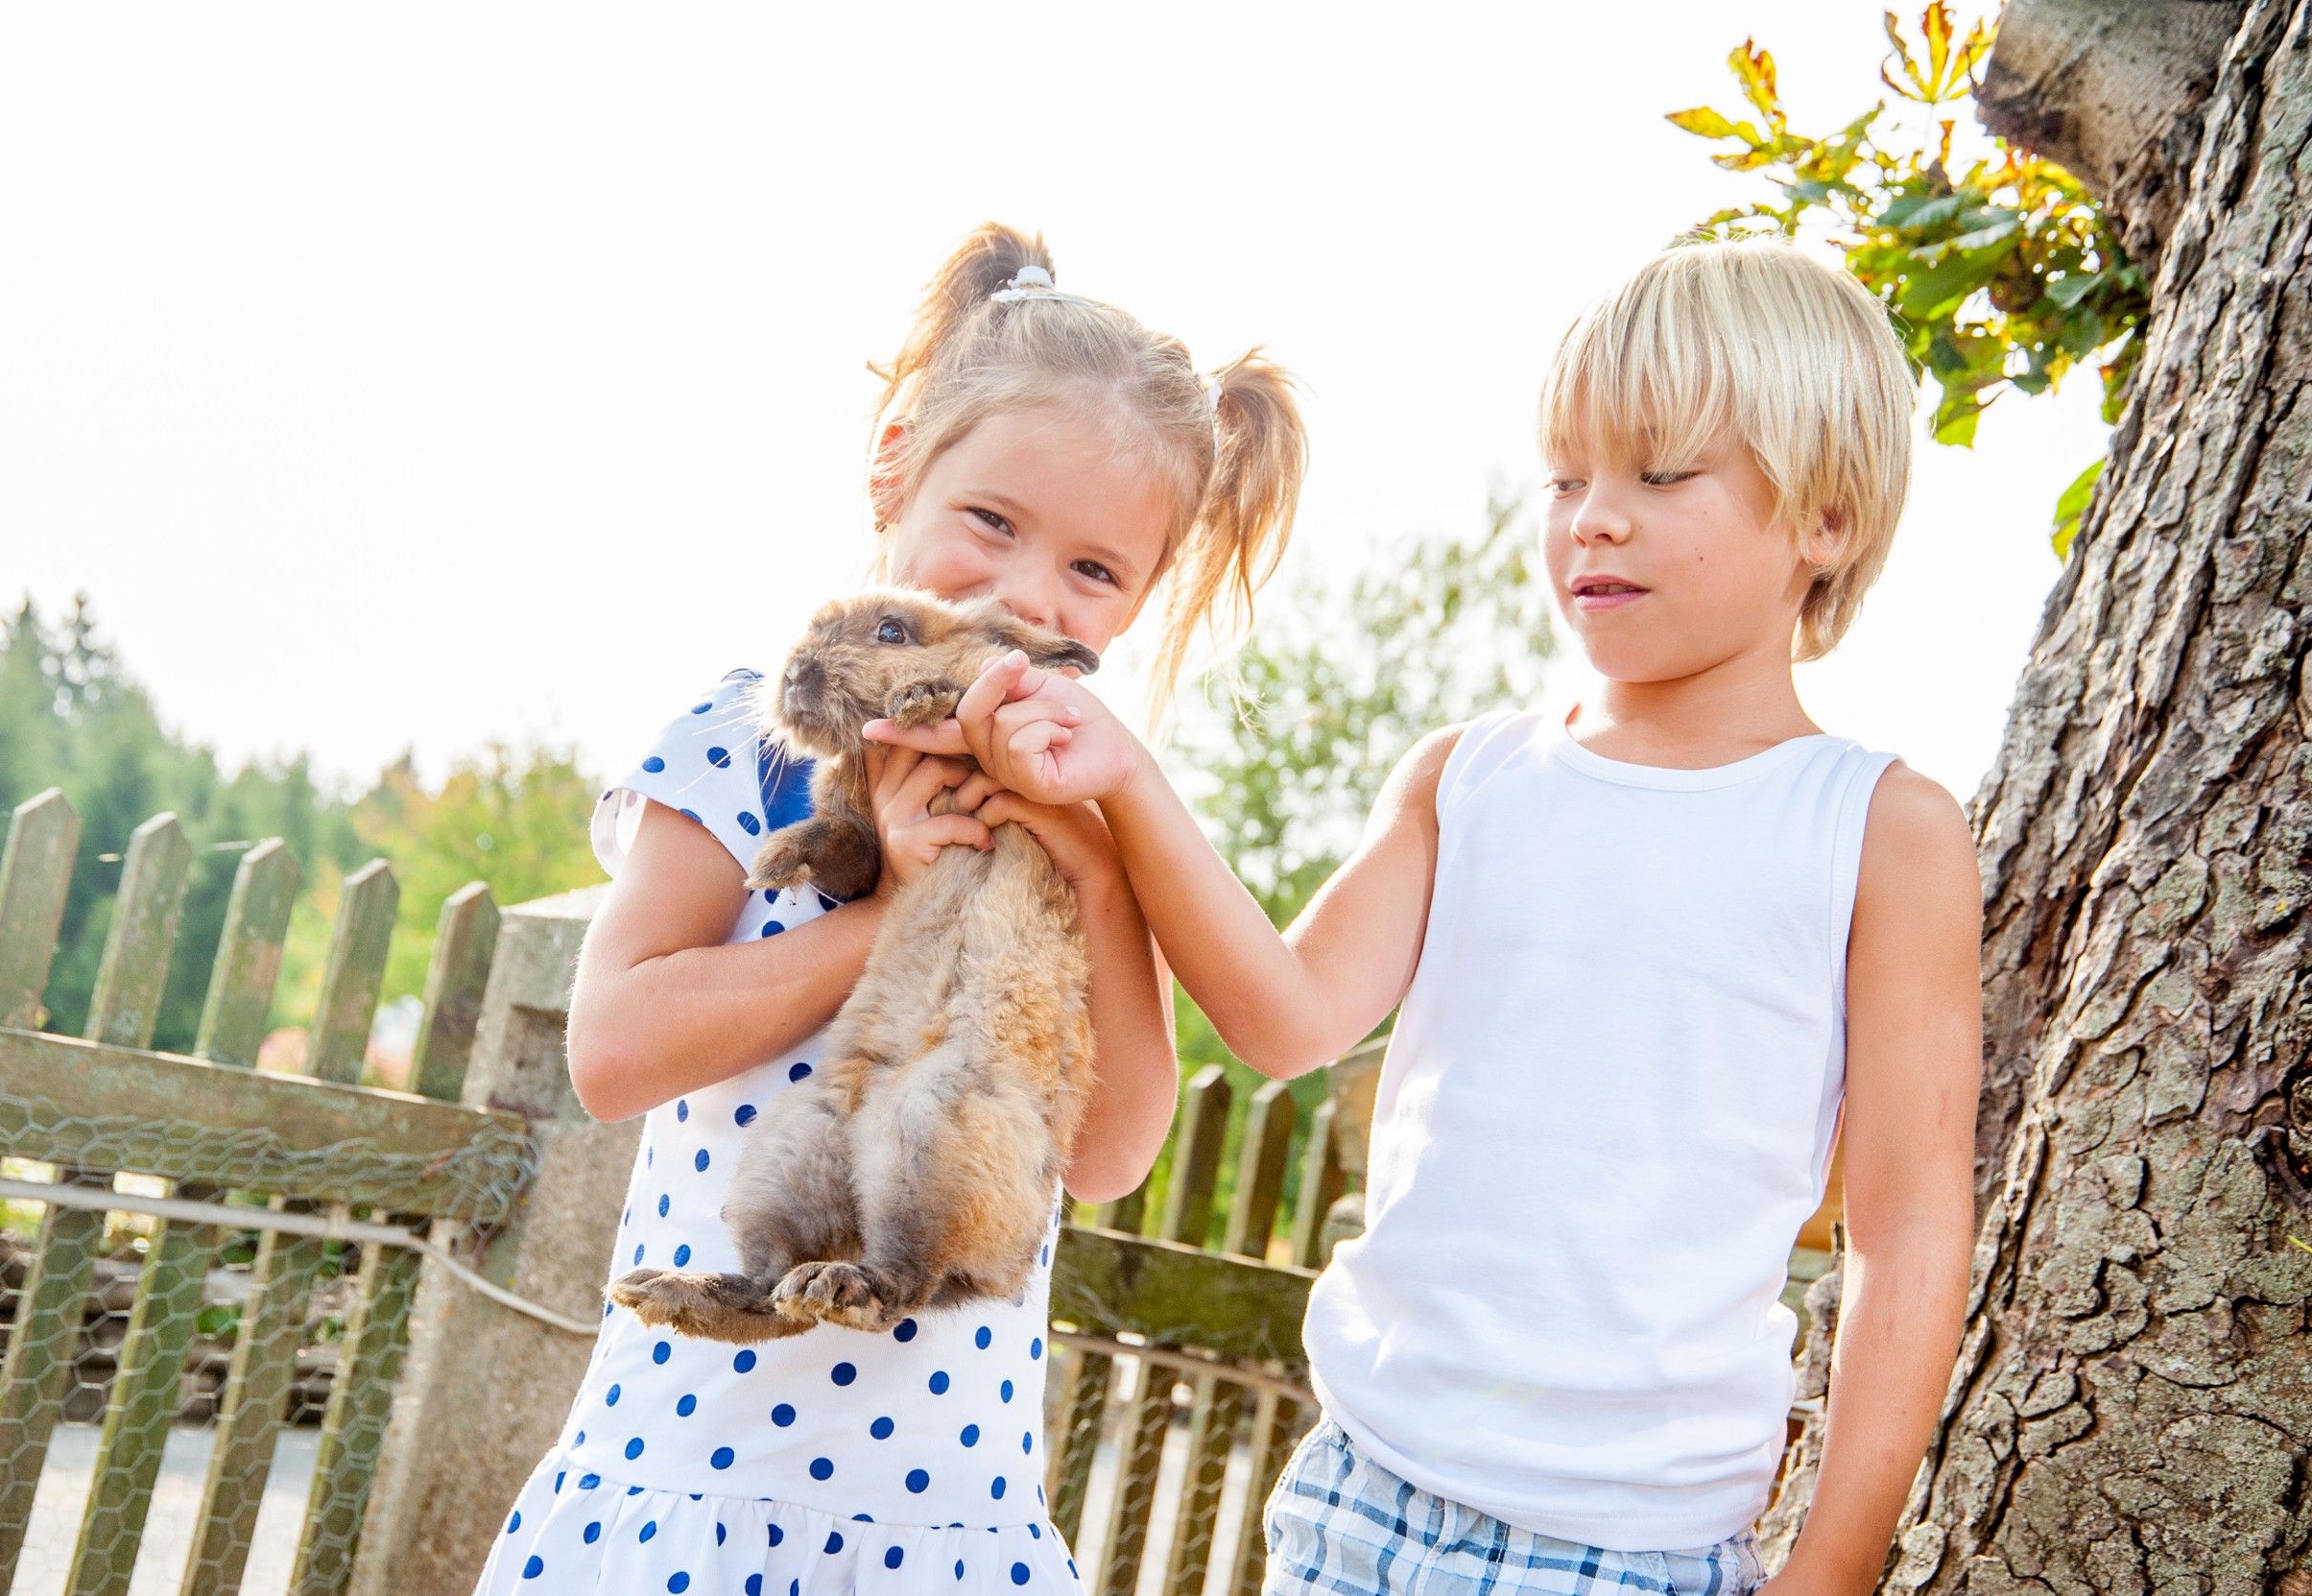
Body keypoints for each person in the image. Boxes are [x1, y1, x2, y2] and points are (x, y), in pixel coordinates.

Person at [871, 240, 1984, 1596]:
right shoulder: (1469, 779)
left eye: (1660, 474)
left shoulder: (1881, 828)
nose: (1595, 519)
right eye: (1566, 478)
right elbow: (1282, 1021)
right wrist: (1125, 792)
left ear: (1826, 517)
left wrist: (1834, 1576)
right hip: (1357, 1500)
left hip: (1627, 1552)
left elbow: (1913, 1228)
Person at [471, 222, 1307, 1596]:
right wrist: (889, 907)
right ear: (895, 464)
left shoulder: (1085, 826)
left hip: (945, 1529)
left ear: (1138, 602)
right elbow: (611, 1052)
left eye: (1095, 570)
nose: (1030, 590)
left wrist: (1098, 869)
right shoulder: (749, 744)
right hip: (684, 1493)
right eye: (993, 521)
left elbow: (1104, 1156)